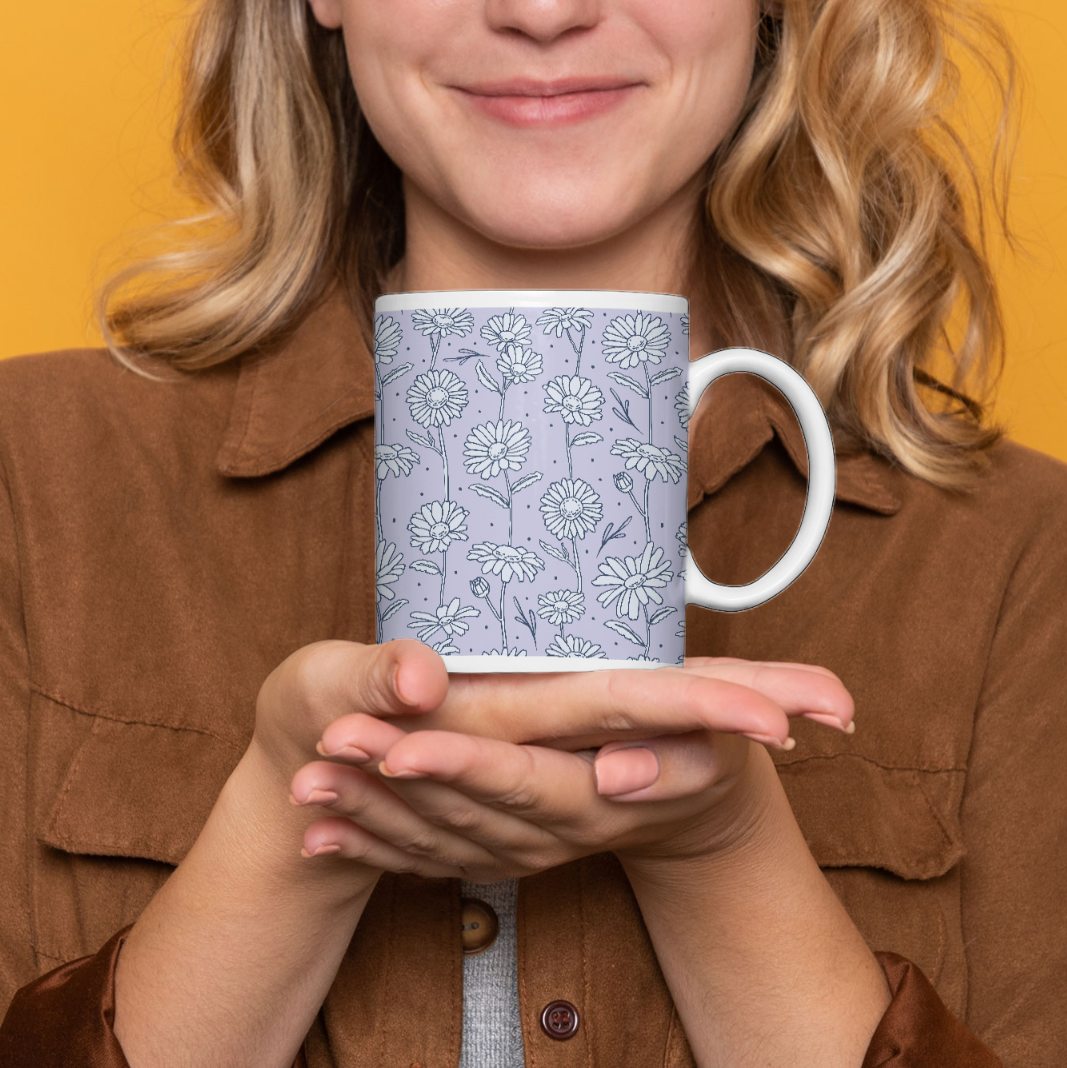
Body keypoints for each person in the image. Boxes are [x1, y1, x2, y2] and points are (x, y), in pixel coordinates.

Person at [1, 0, 1065, 1065]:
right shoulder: (33, 475)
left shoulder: (1020, 557)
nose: (542, 12)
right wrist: (292, 832)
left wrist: (718, 850)